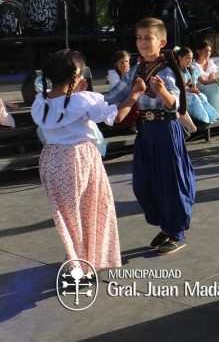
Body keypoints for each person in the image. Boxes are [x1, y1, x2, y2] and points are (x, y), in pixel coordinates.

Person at [32, 49, 143, 269]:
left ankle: (75, 257)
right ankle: (85, 261)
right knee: (91, 209)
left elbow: (63, 106)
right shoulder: (83, 100)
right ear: (76, 75)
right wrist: (135, 94)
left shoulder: (40, 101)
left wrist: (75, 92)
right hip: (79, 158)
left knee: (67, 215)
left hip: (51, 159)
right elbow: (118, 117)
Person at [105, 17, 196, 254]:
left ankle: (176, 232)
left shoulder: (166, 70)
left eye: (148, 38)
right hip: (146, 130)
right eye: (139, 38)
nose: (143, 42)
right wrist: (83, 100)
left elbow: (174, 104)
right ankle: (167, 223)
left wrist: (162, 91)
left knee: (170, 182)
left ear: (162, 42)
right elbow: (113, 96)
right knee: (143, 182)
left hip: (166, 129)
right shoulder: (136, 71)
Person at [175, 45, 219, 125]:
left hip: (189, 91)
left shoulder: (191, 69)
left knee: (202, 96)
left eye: (191, 58)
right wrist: (189, 90)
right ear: (179, 58)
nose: (190, 61)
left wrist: (195, 90)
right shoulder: (174, 70)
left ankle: (210, 117)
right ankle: (203, 120)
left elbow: (193, 85)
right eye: (187, 58)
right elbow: (175, 88)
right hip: (180, 94)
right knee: (194, 97)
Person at [192, 40, 219, 117]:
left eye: (209, 51)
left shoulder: (210, 63)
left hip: (208, 85)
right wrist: (218, 79)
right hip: (199, 87)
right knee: (215, 86)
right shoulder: (194, 65)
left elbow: (213, 79)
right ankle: (218, 113)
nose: (208, 53)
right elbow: (203, 82)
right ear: (198, 51)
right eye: (206, 51)